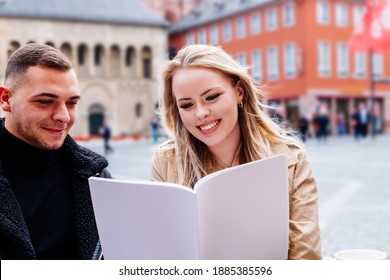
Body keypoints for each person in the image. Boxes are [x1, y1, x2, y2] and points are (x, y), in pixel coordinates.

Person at [151, 44, 321, 260]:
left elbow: (306, 258)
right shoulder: (166, 162)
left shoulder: (291, 159)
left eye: (211, 97)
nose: (201, 113)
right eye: (186, 105)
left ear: (239, 91)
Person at [0, 43, 111, 259]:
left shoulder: (96, 177)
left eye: (71, 103)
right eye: (45, 101)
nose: (64, 116)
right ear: (6, 99)